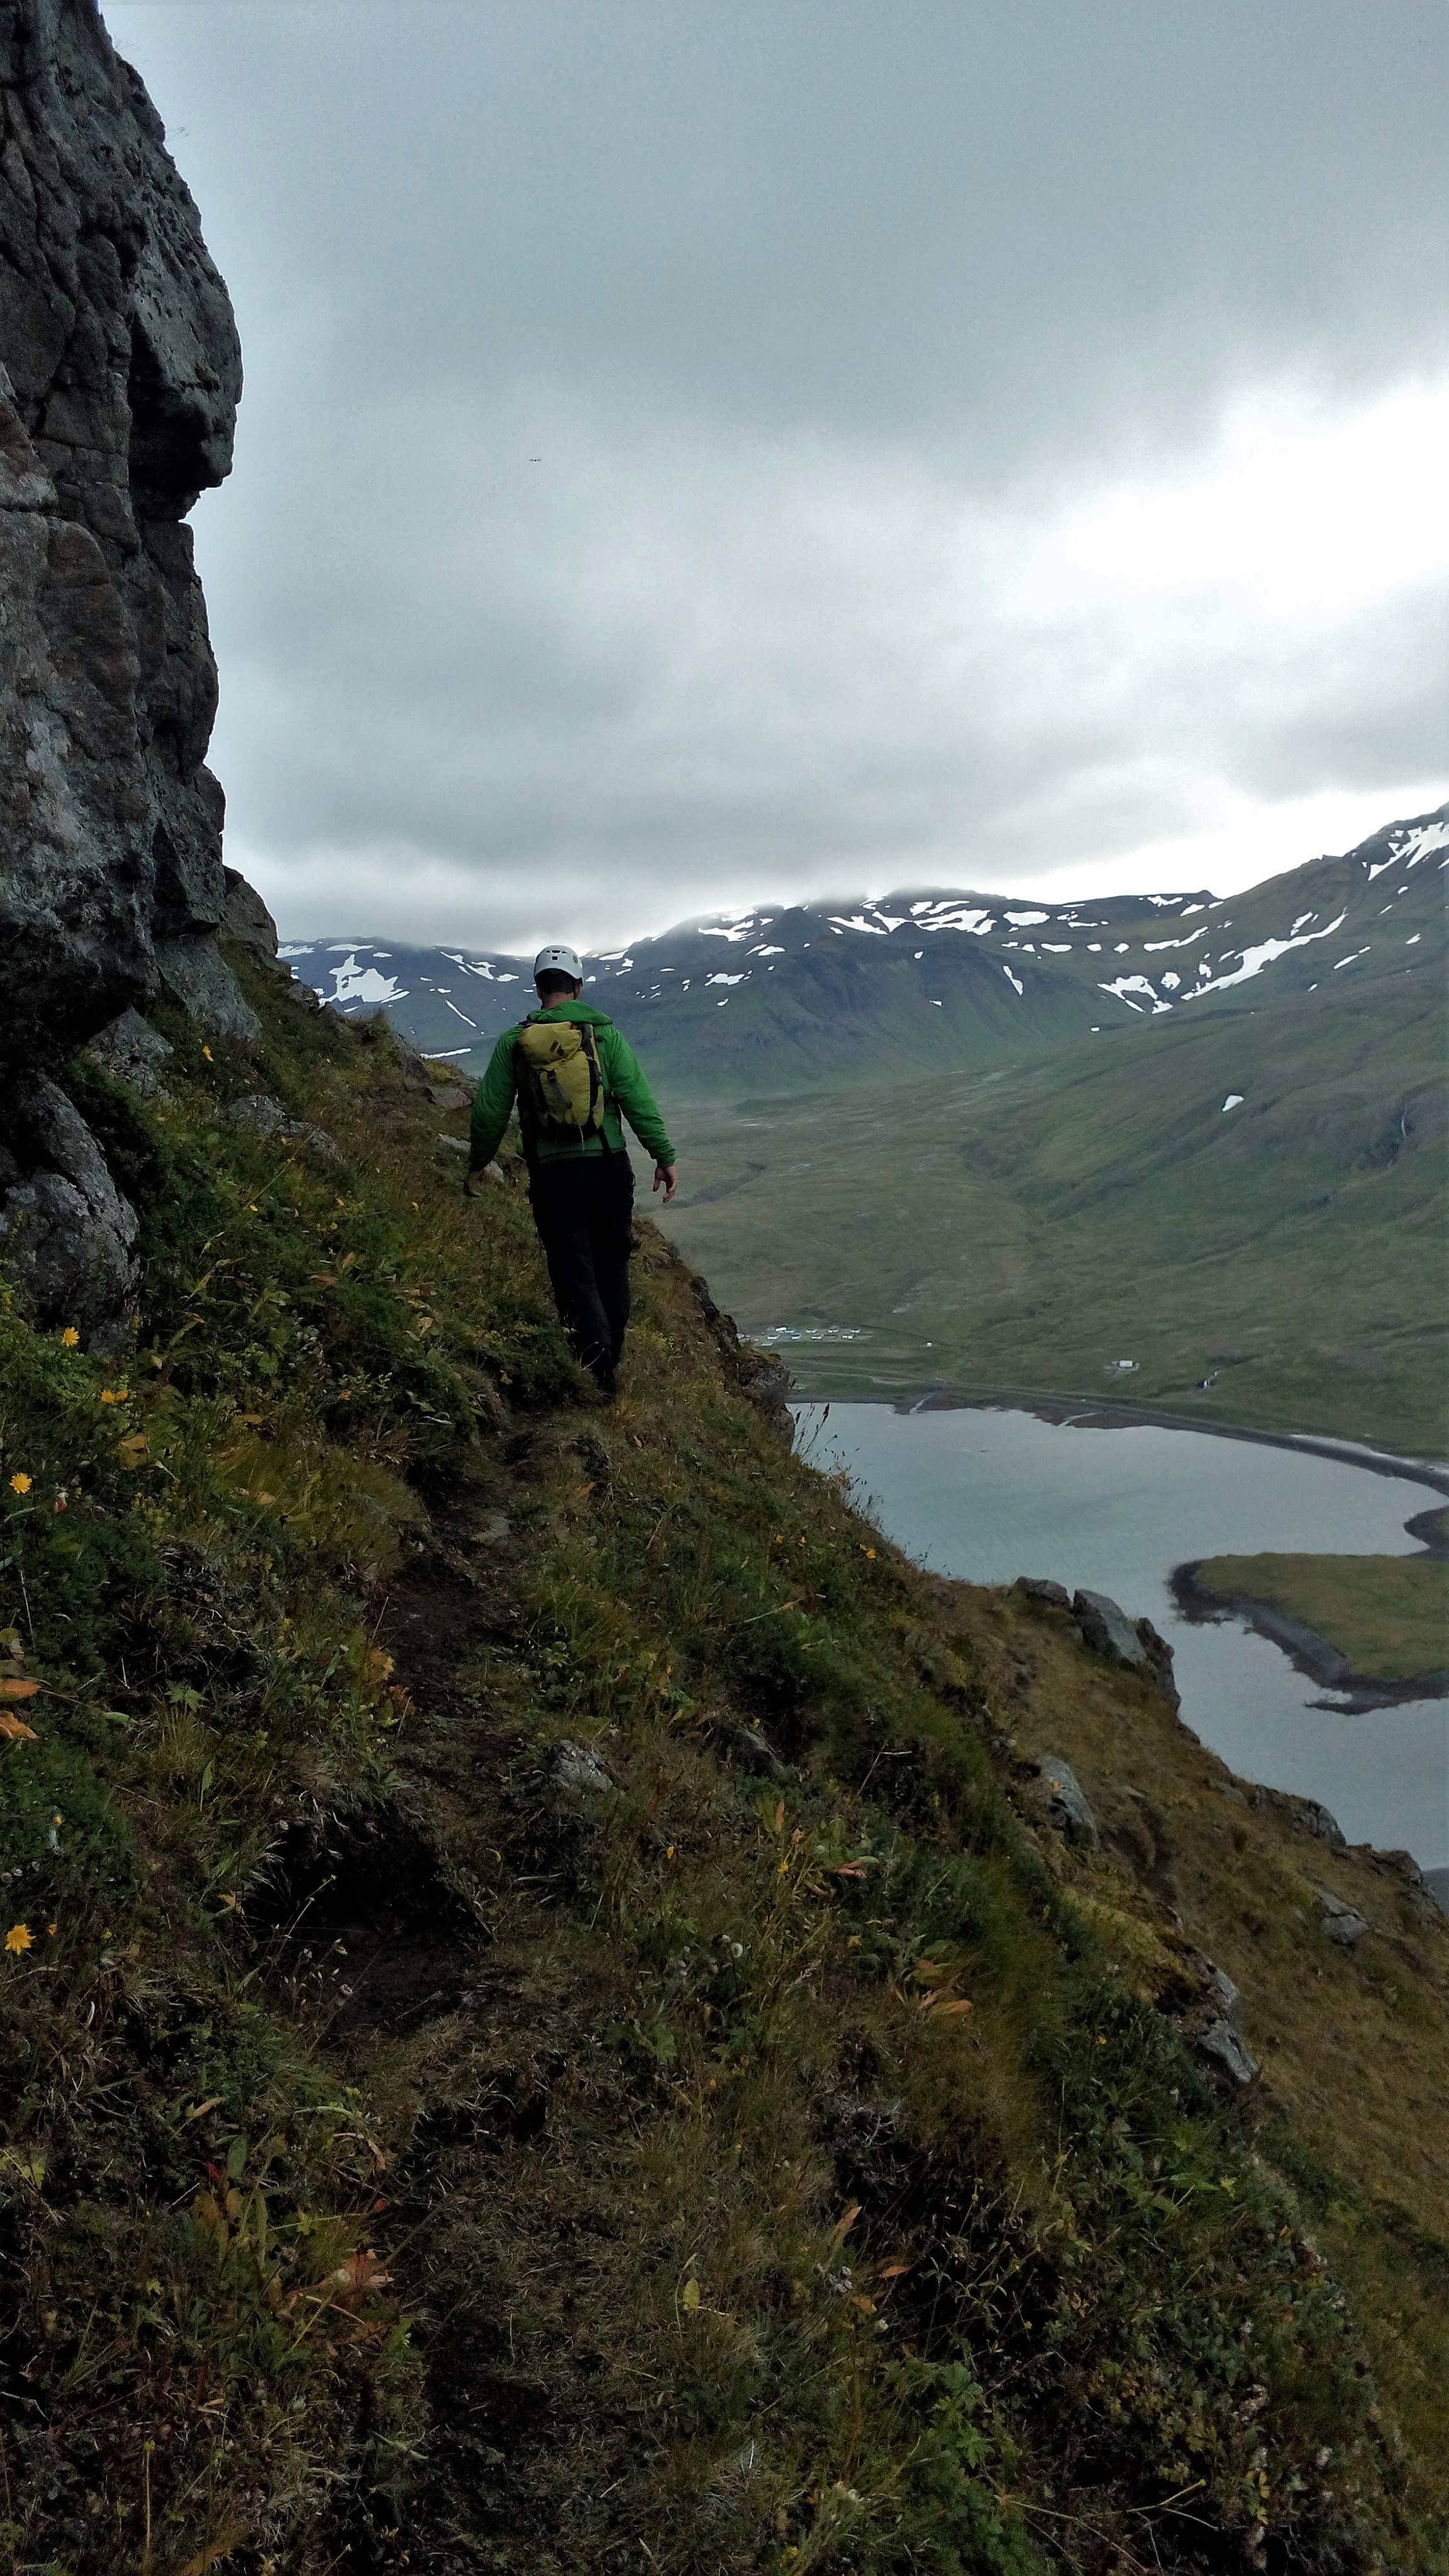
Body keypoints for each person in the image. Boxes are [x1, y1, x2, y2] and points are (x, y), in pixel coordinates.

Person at [465, 943, 678, 1397]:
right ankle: (608, 1363)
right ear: (578, 987)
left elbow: (490, 1112)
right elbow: (638, 1100)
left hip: (554, 1174)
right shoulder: (603, 1036)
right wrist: (663, 1156)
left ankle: (594, 1372)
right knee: (612, 1264)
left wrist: (478, 1164)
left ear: (539, 987)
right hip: (608, 1166)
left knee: (572, 1269)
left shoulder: (515, 1043)